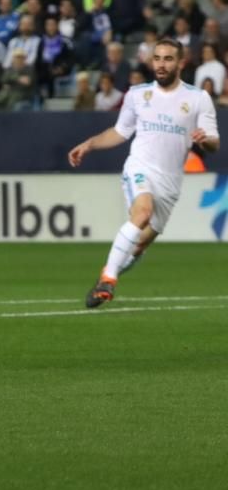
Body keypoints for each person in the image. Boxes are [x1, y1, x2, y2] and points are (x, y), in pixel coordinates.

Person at [69, 39, 220, 308]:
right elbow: (120, 132)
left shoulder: (198, 98)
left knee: (138, 245)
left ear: (181, 63)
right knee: (142, 212)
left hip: (171, 182)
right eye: (157, 58)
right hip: (141, 167)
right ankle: (109, 278)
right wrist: (89, 144)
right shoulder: (137, 94)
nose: (161, 64)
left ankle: (107, 273)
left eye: (168, 59)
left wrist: (204, 139)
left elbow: (214, 142)